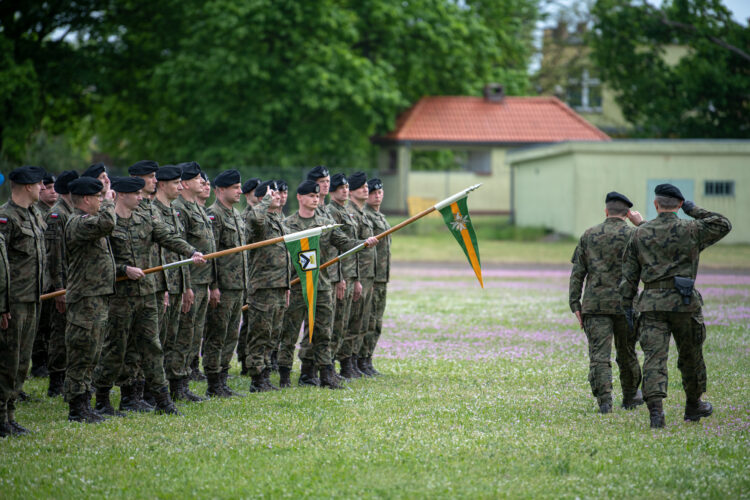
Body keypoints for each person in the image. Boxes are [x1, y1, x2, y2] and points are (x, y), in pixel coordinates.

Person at [620, 184, 732, 428]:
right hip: (685, 304)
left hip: (651, 306)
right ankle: (693, 405)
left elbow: (628, 278)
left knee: (654, 358)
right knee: (691, 356)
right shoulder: (692, 229)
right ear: (680, 204)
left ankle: (656, 414)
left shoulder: (639, 233)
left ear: (656, 204)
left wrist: (628, 308)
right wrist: (693, 209)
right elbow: (723, 224)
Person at [92, 176, 205, 417]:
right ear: (122, 195)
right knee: (115, 348)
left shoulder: (144, 218)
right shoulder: (107, 223)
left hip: (146, 294)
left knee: (152, 347)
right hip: (120, 298)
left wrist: (192, 251)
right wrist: (123, 270)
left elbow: (167, 237)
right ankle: (102, 399)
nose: (140, 197)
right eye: (136, 194)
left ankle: (163, 400)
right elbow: (100, 261)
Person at [281, 180, 379, 389]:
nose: (315, 199)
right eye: (310, 196)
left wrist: (363, 243)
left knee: (324, 332)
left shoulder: (325, 224)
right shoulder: (288, 225)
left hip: (322, 285)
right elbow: (281, 257)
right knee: (289, 332)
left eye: (317, 196)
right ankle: (284, 375)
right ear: (299, 197)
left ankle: (324, 374)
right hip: (298, 285)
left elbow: (344, 243)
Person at [569, 192, 645, 414]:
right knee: (627, 353)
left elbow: (577, 273)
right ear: (627, 213)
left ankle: (604, 402)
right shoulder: (635, 235)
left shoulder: (589, 235)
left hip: (595, 306)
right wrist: (641, 225)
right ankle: (630, 396)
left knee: (599, 356)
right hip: (626, 305)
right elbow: (658, 251)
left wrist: (575, 304)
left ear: (606, 211)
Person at [62, 176, 116, 423]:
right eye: (97, 197)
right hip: (84, 299)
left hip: (96, 297)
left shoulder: (88, 222)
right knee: (81, 353)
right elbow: (108, 223)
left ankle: (85, 402)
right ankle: (77, 407)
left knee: (92, 353)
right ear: (86, 199)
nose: (100, 200)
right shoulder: (78, 223)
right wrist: (110, 201)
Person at [0, 165, 47, 435]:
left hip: (32, 298)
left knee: (21, 362)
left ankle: (10, 414)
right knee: (7, 360)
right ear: (28, 186)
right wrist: (2, 305)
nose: (43, 188)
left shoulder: (34, 214)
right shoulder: (6, 217)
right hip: (13, 302)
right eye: (39, 184)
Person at [152, 165, 205, 403]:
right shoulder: (153, 211)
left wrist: (187, 286)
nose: (180, 186)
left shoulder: (173, 211)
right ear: (162, 184)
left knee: (176, 338)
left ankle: (177, 386)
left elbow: (180, 255)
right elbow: (160, 254)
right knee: (160, 340)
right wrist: (164, 288)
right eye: (175, 183)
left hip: (178, 284)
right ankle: (154, 390)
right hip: (162, 285)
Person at [205, 170, 248, 397]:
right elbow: (210, 254)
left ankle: (223, 379)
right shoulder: (214, 215)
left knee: (231, 334)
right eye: (235, 187)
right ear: (220, 190)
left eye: (240, 187)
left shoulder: (236, 214)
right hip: (222, 286)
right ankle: (213, 382)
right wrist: (213, 286)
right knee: (217, 334)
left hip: (237, 285)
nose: (240, 191)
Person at [244, 181, 289, 392]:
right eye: (273, 193)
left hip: (279, 284)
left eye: (278, 193)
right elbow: (255, 218)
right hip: (263, 286)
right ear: (263, 198)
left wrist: (287, 285)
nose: (278, 196)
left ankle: (266, 374)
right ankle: (257, 377)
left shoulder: (277, 219)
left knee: (273, 333)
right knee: (260, 333)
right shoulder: (258, 219)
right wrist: (264, 201)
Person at [173, 163, 216, 386]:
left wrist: (211, 284)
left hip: (203, 281)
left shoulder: (197, 207)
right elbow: (180, 252)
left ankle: (187, 373)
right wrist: (186, 286)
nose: (202, 182)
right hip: (191, 281)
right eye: (198, 178)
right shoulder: (180, 209)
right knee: (184, 333)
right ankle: (178, 382)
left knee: (194, 332)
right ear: (185, 183)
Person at [44, 170, 79, 397]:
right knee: (59, 333)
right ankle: (56, 380)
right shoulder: (57, 215)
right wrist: (59, 288)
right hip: (62, 283)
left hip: (72, 281)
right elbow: (55, 255)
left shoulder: (71, 211)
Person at [339, 171, 376, 377]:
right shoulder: (349, 213)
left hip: (367, 275)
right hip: (355, 275)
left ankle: (355, 361)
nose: (366, 189)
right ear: (352, 191)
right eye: (361, 187)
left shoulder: (361, 213)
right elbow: (350, 250)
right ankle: (347, 363)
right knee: (352, 321)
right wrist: (355, 279)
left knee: (362, 321)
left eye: (366, 186)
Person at [361, 178, 390, 376]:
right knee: (368, 320)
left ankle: (367, 359)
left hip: (381, 276)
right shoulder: (367, 217)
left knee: (376, 321)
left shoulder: (380, 217)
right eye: (373, 192)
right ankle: (360, 360)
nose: (377, 195)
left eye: (380, 192)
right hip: (370, 276)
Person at [31, 172, 57, 379]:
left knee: (50, 323)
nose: (51, 191)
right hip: (37, 278)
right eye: (47, 187)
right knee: (40, 323)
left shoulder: (50, 213)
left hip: (51, 276)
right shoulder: (36, 211)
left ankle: (46, 360)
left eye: (53, 187)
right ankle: (38, 362)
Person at [238, 177, 262, 376]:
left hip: (261, 274)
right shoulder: (247, 217)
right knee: (249, 320)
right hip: (248, 275)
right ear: (247, 194)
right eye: (256, 191)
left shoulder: (265, 215)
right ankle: (245, 358)